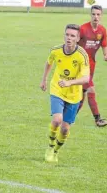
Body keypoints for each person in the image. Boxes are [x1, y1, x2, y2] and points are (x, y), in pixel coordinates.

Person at [40, 24, 89, 163]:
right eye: (67, 34)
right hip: (57, 89)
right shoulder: (56, 50)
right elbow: (49, 62)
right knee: (57, 120)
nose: (69, 38)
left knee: (65, 130)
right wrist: (44, 79)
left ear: (78, 38)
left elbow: (86, 78)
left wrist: (70, 83)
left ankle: (56, 151)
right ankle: (50, 147)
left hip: (74, 95)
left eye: (72, 36)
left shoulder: (82, 55)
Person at [77, 5, 107, 127]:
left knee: (82, 92)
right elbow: (73, 43)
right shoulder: (83, 29)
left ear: (101, 16)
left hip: (91, 66)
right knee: (91, 89)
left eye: (98, 14)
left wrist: (106, 55)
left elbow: (104, 45)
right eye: (94, 14)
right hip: (81, 66)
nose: (96, 16)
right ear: (90, 15)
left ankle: (70, 116)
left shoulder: (102, 30)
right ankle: (98, 119)